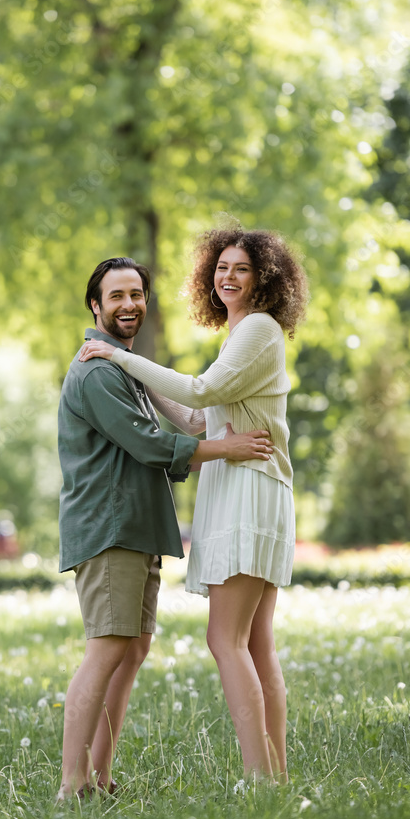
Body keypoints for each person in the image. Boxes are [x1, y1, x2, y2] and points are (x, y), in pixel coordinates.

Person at [79, 227, 308, 784]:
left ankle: (260, 779)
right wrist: (143, 382)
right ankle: (273, 777)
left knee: (224, 639)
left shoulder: (257, 328)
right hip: (251, 486)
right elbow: (202, 420)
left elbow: (201, 393)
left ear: (265, 279)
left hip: (248, 490)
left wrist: (117, 357)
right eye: (221, 267)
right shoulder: (242, 334)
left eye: (242, 269)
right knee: (255, 642)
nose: (227, 277)